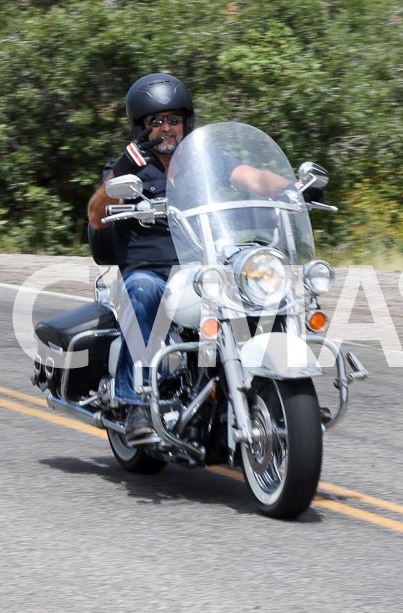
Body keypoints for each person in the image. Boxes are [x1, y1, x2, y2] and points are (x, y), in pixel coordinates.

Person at [87, 72, 291, 445]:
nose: (166, 128)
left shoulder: (204, 159)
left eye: (174, 119)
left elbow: (253, 178)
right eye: (156, 120)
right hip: (152, 272)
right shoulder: (128, 166)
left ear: (186, 122)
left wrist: (291, 187)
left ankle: (286, 394)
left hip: (206, 267)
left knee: (265, 286)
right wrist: (126, 167)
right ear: (142, 127)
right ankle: (136, 404)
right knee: (141, 291)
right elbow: (96, 214)